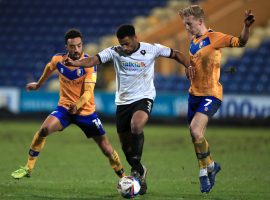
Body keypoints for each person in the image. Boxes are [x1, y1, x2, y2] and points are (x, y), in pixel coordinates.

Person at [63, 24, 194, 195]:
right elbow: (93, 60)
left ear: (135, 38)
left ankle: (136, 171)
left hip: (144, 97)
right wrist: (75, 63)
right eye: (121, 44)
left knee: (136, 125)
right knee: (126, 147)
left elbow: (175, 54)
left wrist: (188, 65)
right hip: (123, 103)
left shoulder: (151, 49)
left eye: (126, 43)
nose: (124, 47)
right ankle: (140, 171)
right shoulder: (115, 51)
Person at [11, 29, 125, 180]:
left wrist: (77, 105)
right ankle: (29, 167)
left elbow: (88, 92)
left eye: (79, 45)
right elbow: (49, 67)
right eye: (72, 46)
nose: (76, 49)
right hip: (64, 108)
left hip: (85, 111)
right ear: (67, 47)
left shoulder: (89, 64)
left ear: (82, 45)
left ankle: (124, 177)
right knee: (44, 129)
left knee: (106, 148)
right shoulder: (58, 60)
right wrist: (38, 84)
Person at [179, 5, 255, 193]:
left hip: (211, 94)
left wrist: (246, 27)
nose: (187, 28)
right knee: (196, 135)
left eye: (189, 24)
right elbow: (194, 63)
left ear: (200, 21)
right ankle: (211, 166)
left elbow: (241, 42)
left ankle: (203, 172)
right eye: (185, 25)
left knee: (195, 131)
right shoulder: (193, 39)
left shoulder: (215, 38)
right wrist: (188, 69)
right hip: (193, 94)